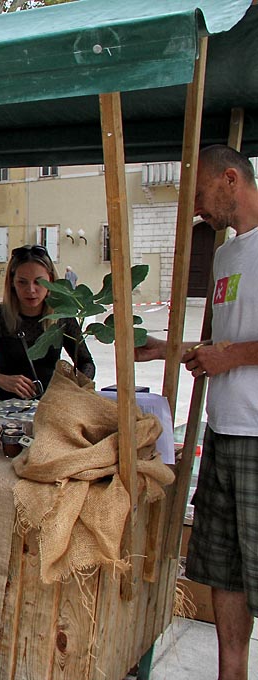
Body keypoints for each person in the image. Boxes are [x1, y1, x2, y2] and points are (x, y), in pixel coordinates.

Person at [136, 145, 258, 680]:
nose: (197, 211)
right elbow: (226, 342)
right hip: (223, 432)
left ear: (231, 179)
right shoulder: (229, 255)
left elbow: (234, 351)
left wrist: (227, 356)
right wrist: (171, 348)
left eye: (202, 195)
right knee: (224, 571)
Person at [0, 244, 95, 400]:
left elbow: (86, 362)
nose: (31, 290)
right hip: (8, 410)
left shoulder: (61, 316)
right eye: (22, 282)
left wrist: (74, 387)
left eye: (38, 282)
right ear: (12, 283)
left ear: (51, 281)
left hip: (52, 406)